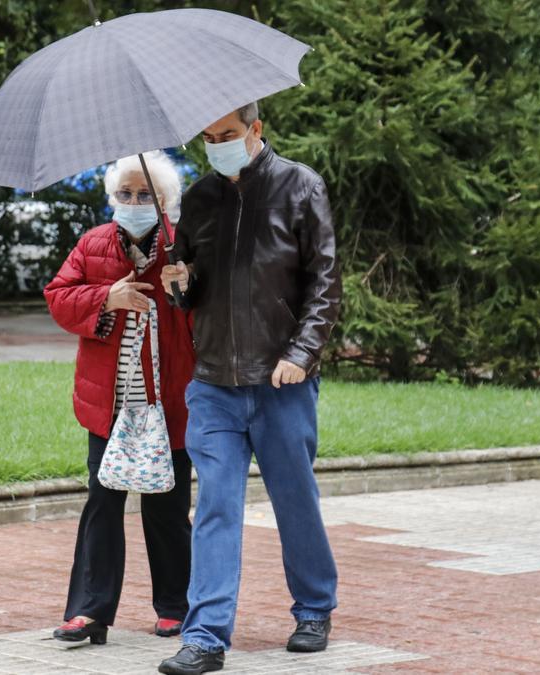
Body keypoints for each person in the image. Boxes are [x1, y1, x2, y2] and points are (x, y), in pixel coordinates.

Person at [156, 102, 342, 675]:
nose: (218, 145)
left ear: (255, 129)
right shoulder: (201, 199)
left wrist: (302, 353)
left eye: (228, 134)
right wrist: (177, 282)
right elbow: (190, 288)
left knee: (294, 500)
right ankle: (206, 636)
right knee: (214, 506)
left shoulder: (300, 188)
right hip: (213, 383)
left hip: (281, 381)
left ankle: (314, 608)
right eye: (208, 137)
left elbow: (326, 285)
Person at [44, 150, 196, 645]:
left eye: (144, 193)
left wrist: (185, 290)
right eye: (125, 194)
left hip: (169, 403)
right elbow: (59, 298)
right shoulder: (93, 245)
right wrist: (106, 297)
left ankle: (176, 606)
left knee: (167, 508)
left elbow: (206, 313)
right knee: (102, 504)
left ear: (166, 201)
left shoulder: (183, 246)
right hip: (109, 409)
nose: (134, 201)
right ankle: (90, 612)